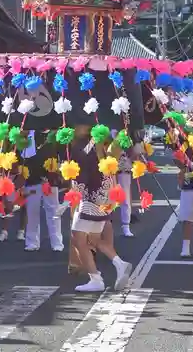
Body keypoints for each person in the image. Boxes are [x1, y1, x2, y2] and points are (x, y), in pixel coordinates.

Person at [69, 125, 132, 292]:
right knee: (94, 240)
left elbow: (83, 177)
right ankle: (119, 264)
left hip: (92, 200)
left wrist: (73, 196)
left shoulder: (91, 153)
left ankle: (96, 278)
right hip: (104, 201)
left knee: (78, 238)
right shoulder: (106, 154)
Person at [23, 131, 64, 252]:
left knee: (53, 213)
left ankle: (57, 243)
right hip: (32, 180)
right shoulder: (28, 135)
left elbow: (62, 154)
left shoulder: (55, 135)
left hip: (50, 180)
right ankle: (31, 242)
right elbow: (24, 156)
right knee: (32, 212)